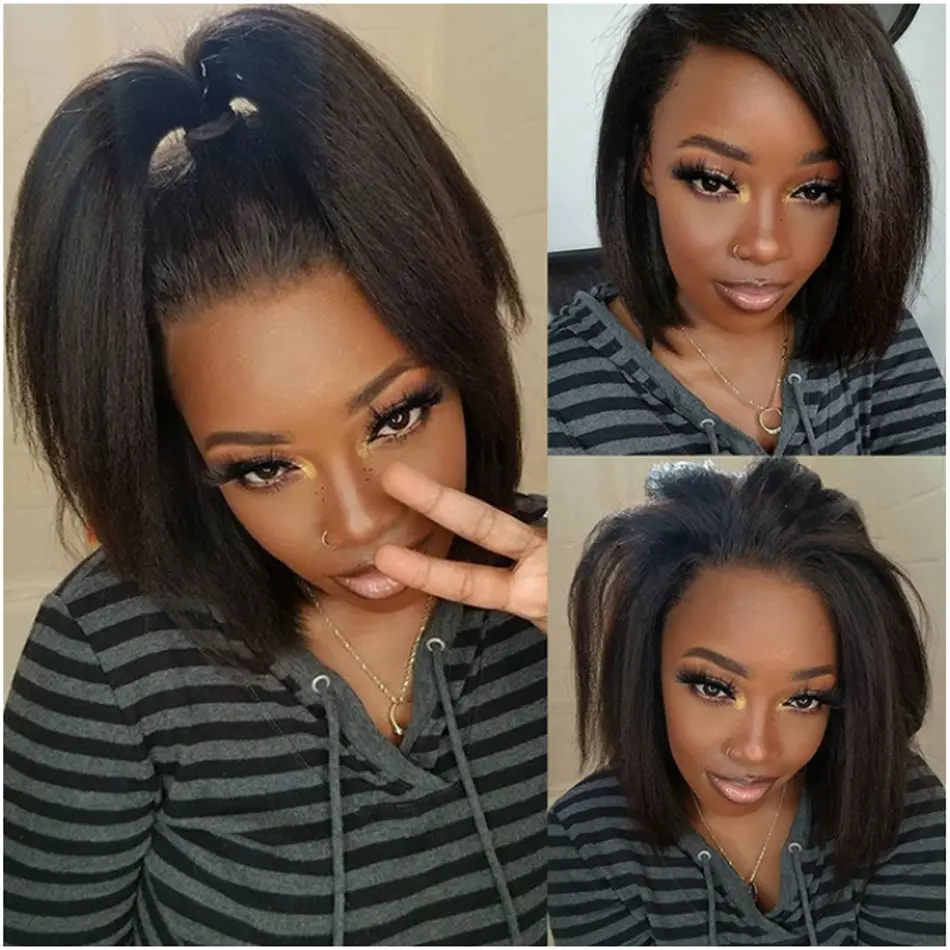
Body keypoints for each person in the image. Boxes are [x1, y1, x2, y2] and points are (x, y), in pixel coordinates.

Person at [3, 5, 548, 945]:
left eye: (396, 417)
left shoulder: (564, 586)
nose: (357, 521)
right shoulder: (108, 655)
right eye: (262, 466)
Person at [548, 458, 945, 945]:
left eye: (805, 699)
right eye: (714, 688)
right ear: (647, 668)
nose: (756, 750)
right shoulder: (585, 840)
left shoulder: (899, 800)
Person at [548, 4, 946, 456]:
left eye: (816, 190)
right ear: (645, 160)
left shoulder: (876, 332)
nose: (764, 245)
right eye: (713, 182)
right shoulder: (557, 395)